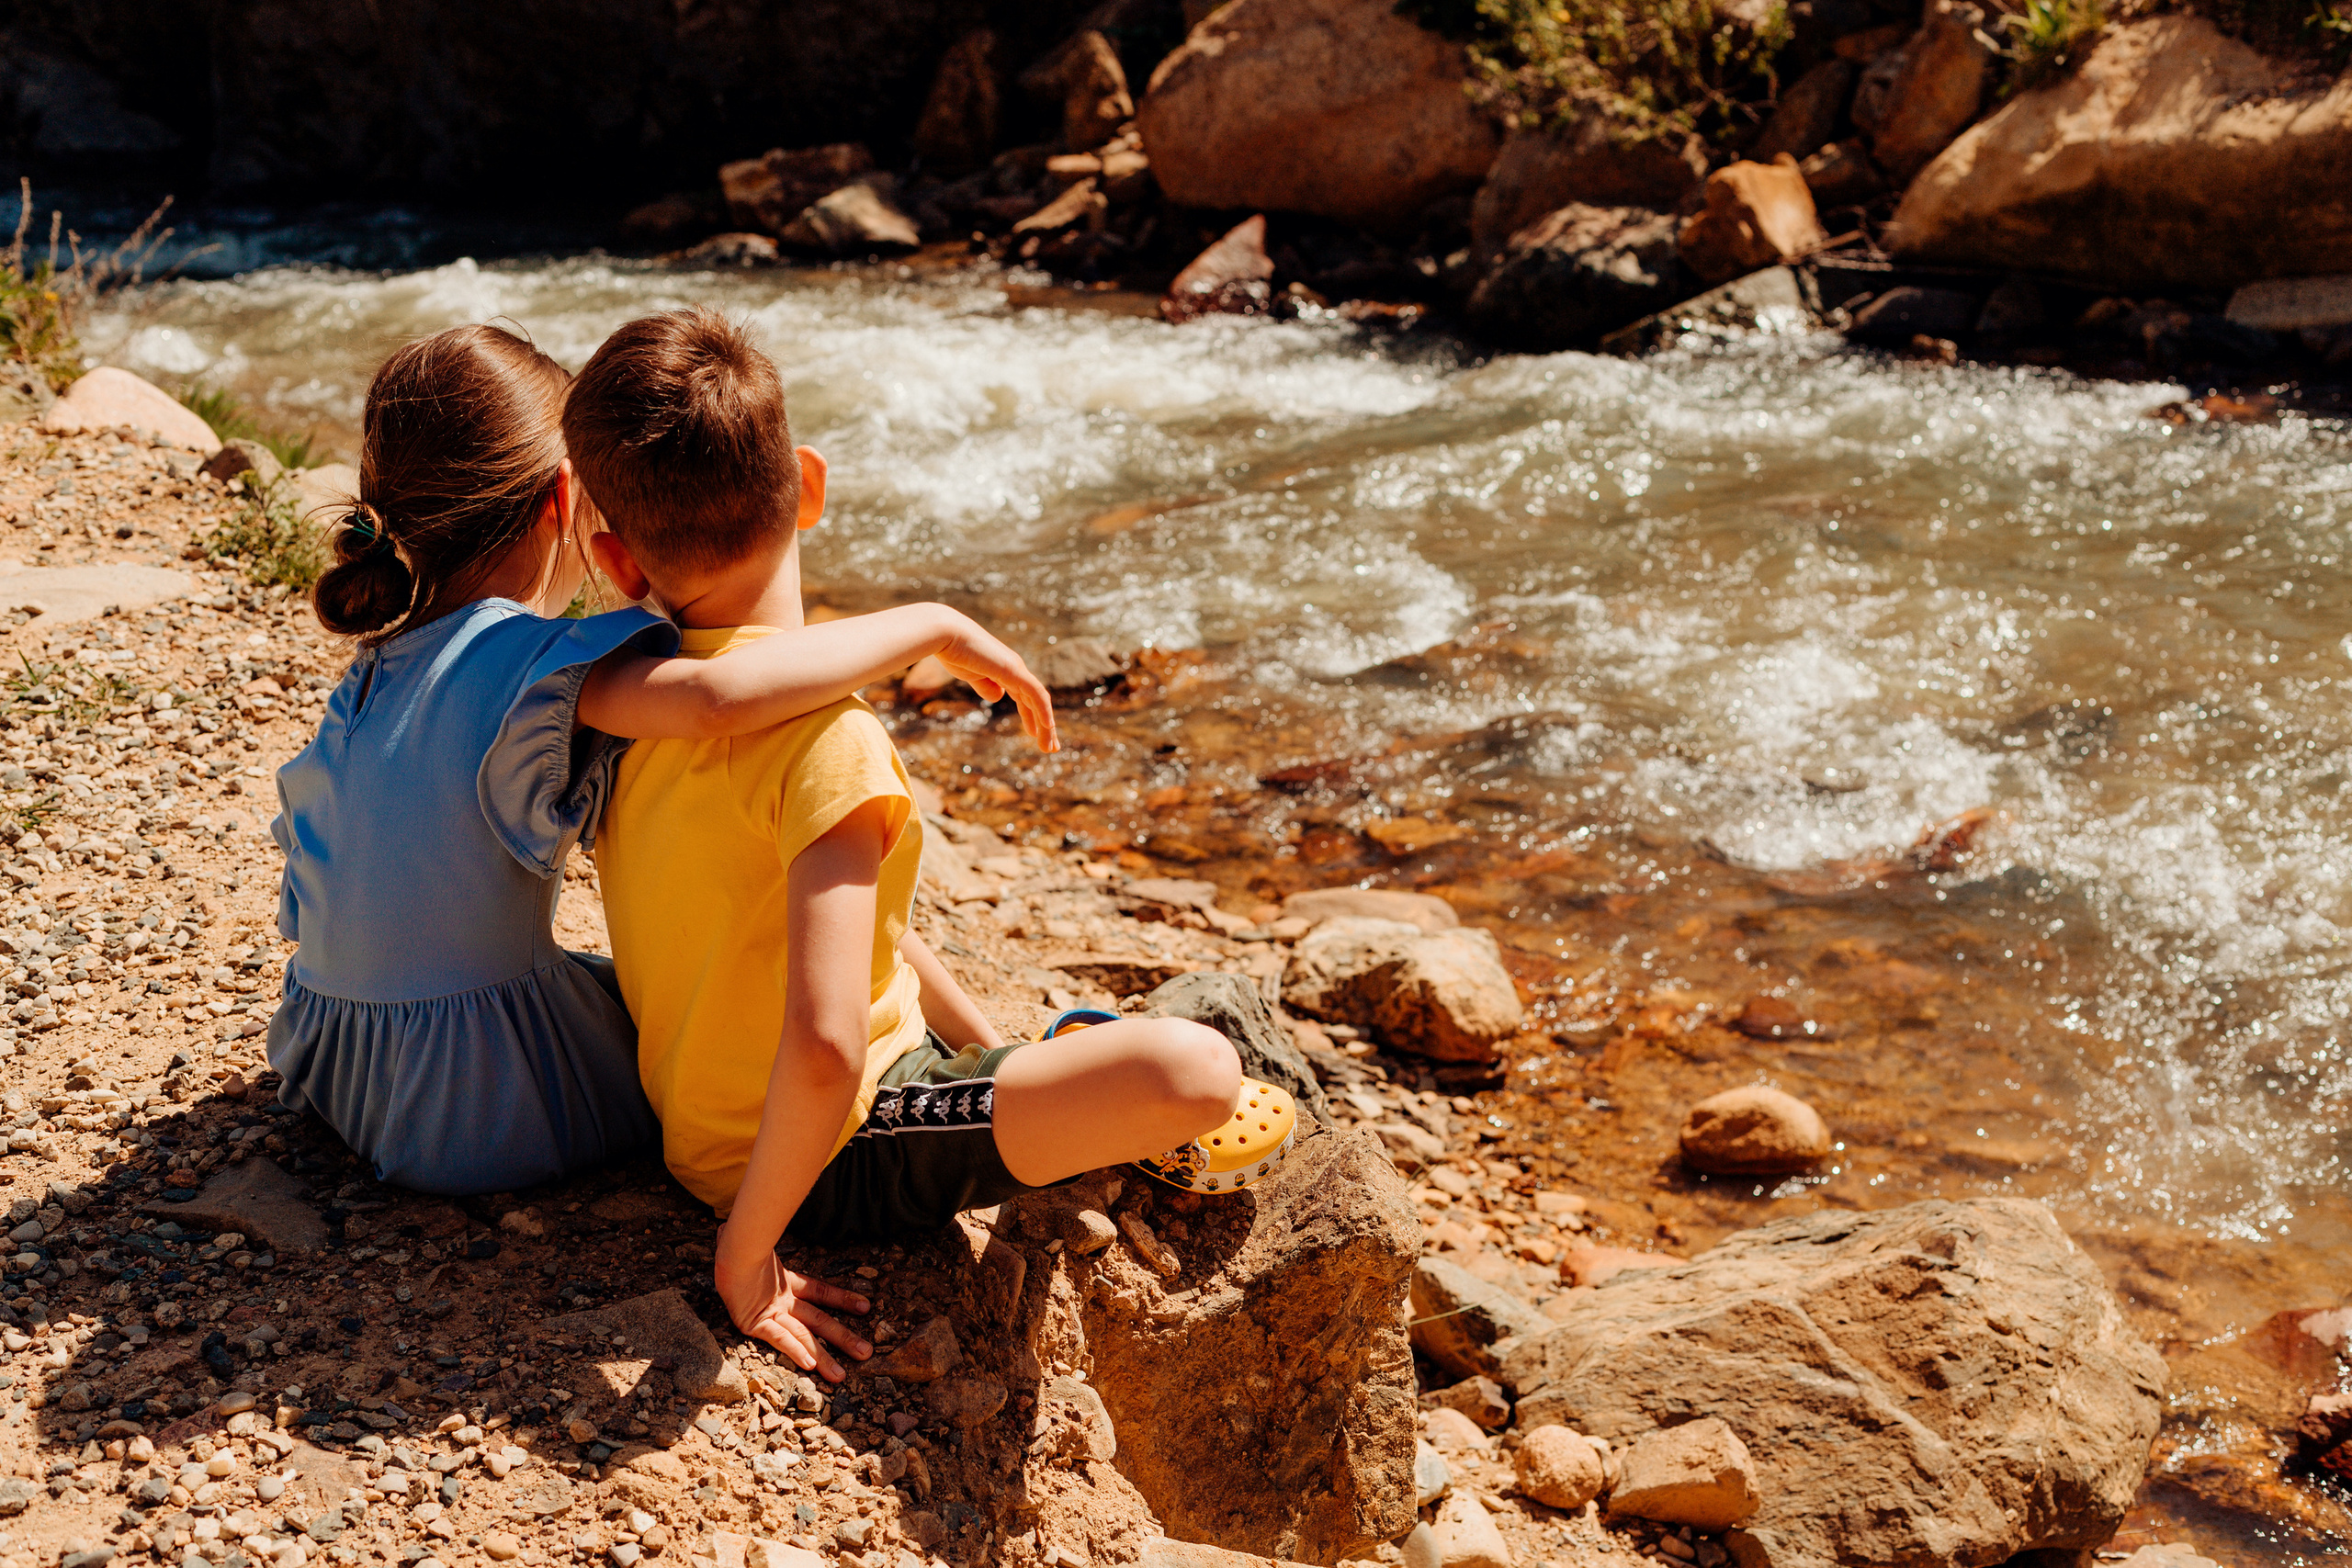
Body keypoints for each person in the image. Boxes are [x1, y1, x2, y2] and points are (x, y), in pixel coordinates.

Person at [569, 307, 1261, 1382]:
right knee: (1199, 1066)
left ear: (617, 561)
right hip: (821, 1156)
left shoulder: (629, 699)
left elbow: (853, 927)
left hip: (718, 1123)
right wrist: (746, 1255)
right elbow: (830, 1045)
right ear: (809, 484)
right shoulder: (832, 746)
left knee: (1063, 1061)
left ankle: (1048, 1072)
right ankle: (1090, 1096)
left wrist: (1004, 1057)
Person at [267, 321, 1057, 1197]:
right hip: (472, 1105)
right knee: (716, 1034)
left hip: (338, 1064)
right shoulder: (528, 659)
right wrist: (934, 626)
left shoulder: (372, 672)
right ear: (564, 502)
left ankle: (978, 1054)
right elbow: (718, 695)